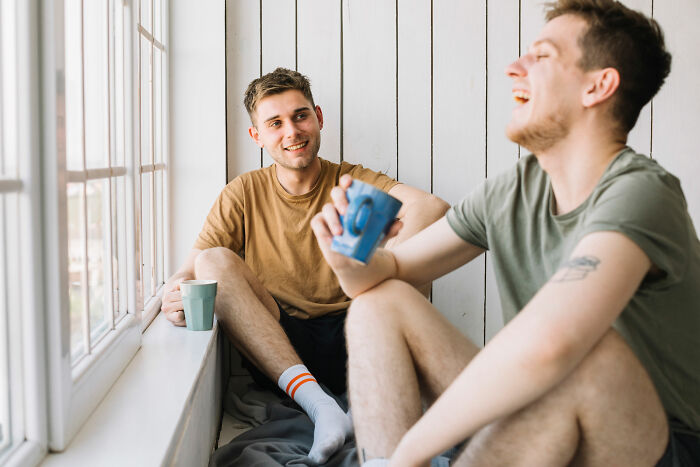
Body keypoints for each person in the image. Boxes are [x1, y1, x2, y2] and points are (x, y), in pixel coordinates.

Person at [311, 1, 699, 465]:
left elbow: (553, 346)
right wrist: (350, 262)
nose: (514, 68)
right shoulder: (514, 190)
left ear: (598, 85)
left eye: (542, 56)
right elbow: (386, 273)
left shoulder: (641, 194)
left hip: (651, 442)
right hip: (545, 411)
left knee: (583, 356)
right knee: (379, 303)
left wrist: (412, 455)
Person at [160, 67, 449, 464]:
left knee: (419, 231)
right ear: (257, 136)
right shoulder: (242, 192)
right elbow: (192, 268)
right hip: (281, 341)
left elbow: (432, 208)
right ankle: (321, 408)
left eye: (300, 116)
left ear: (318, 118)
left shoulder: (350, 180)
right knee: (214, 260)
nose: (291, 131)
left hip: (360, 332)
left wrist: (383, 262)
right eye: (275, 123)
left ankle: (368, 403)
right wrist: (171, 293)